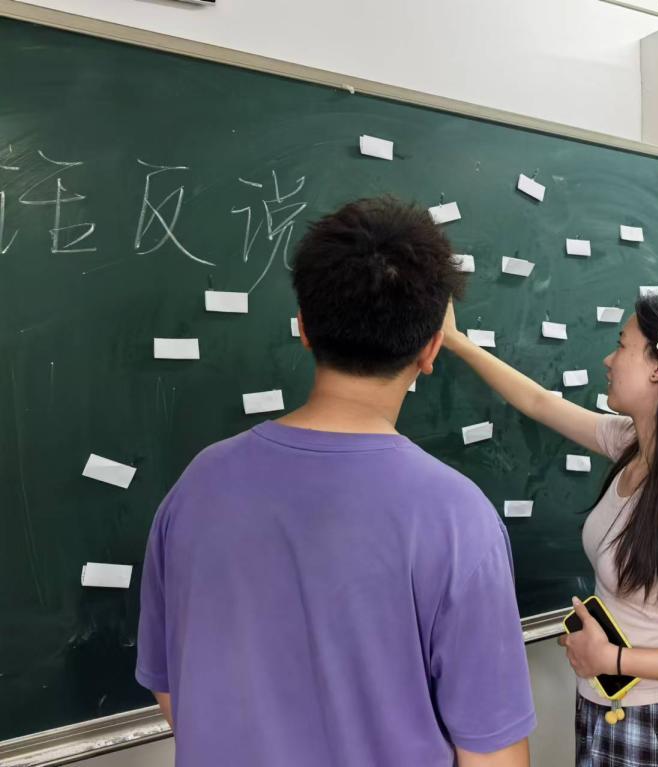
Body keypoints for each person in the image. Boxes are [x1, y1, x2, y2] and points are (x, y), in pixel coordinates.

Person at [135, 197, 536, 767]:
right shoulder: (457, 518)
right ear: (431, 349)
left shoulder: (198, 484)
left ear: (303, 326)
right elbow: (493, 755)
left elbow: (173, 691)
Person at [442, 291, 658, 767]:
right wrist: (455, 341)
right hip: (605, 707)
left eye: (621, 345)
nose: (608, 359)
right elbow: (537, 402)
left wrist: (614, 660)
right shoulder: (633, 444)